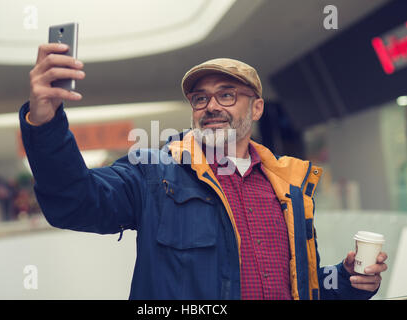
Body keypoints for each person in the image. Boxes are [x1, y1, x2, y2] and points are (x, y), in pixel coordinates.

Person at [19, 43, 388, 300]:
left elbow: (305, 288)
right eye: (200, 98)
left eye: (227, 95)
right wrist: (45, 121)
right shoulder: (153, 174)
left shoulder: (289, 187)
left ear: (256, 108)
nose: (211, 106)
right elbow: (75, 202)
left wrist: (349, 279)